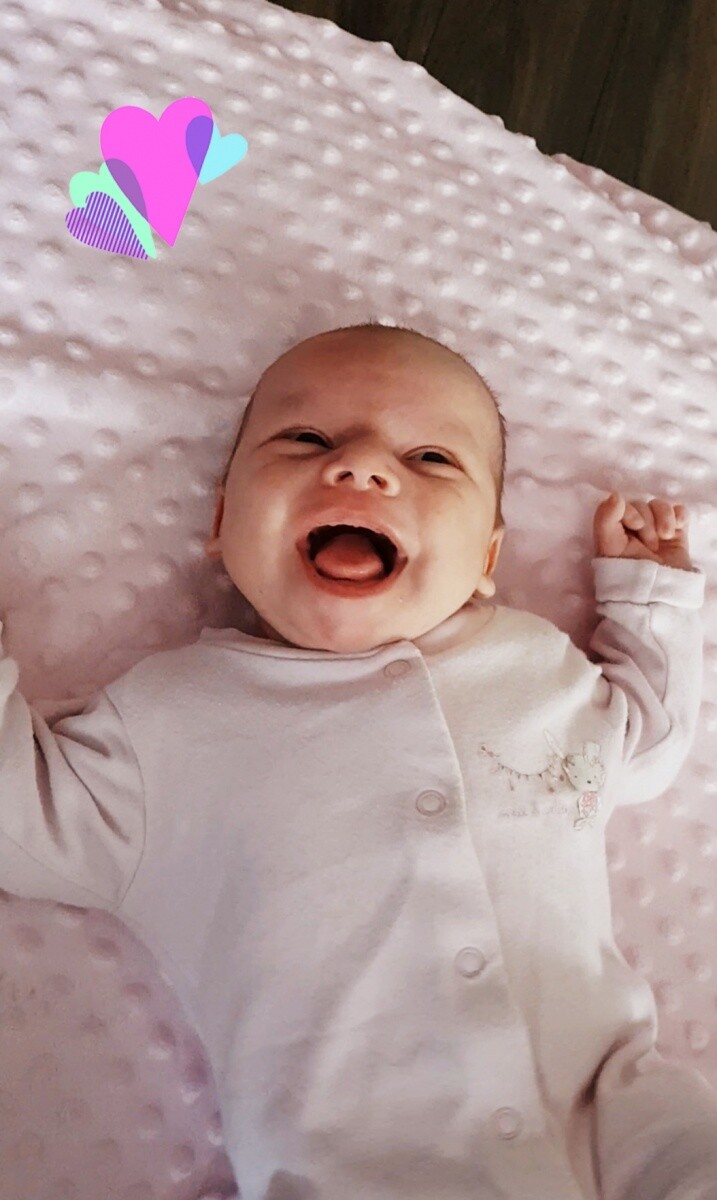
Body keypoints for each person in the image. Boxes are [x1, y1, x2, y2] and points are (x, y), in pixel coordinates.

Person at [1, 321, 716, 1200]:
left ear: (486, 559)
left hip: (624, 1121)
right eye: (306, 439)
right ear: (221, 521)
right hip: (367, 1163)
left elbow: (643, 747)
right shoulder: (171, 721)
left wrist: (650, 600)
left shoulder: (532, 666)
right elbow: (20, 820)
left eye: (430, 458)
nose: (362, 468)